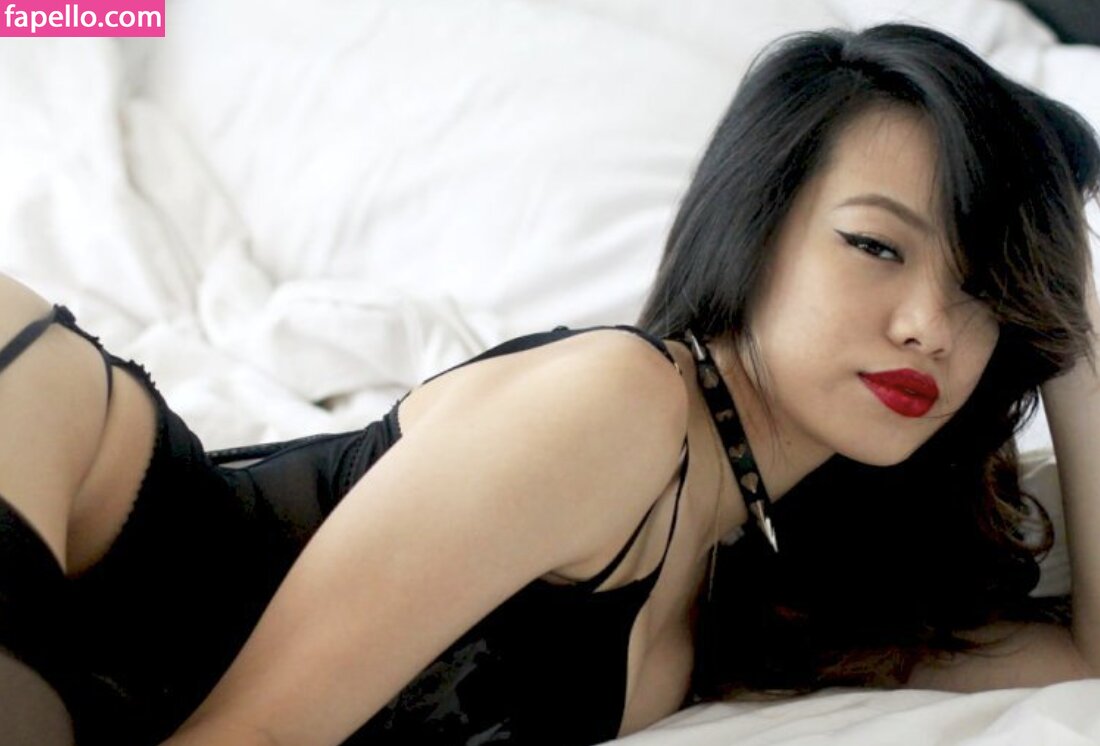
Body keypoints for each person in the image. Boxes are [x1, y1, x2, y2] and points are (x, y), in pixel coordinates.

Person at [0, 21, 1097, 746]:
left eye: (985, 290)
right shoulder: (619, 406)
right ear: (756, 226)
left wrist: (1073, 323)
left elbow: (1085, 659)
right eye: (875, 246)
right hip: (56, 460)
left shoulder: (760, 570)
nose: (930, 328)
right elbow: (248, 734)